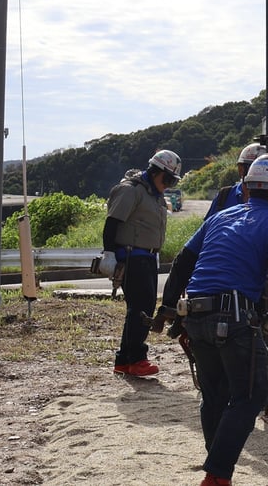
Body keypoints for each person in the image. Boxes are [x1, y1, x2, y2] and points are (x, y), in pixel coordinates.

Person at [160, 154, 268, 486]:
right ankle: (216, 476)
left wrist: (169, 310)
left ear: (248, 187)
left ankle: (215, 465)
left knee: (214, 395)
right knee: (250, 396)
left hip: (194, 312)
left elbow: (182, 261)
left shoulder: (220, 217)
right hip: (233, 315)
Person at [99, 149, 182, 377]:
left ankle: (125, 360)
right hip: (132, 257)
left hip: (147, 257)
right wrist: (109, 254)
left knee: (138, 307)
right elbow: (112, 224)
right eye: (167, 179)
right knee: (141, 307)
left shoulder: (153, 194)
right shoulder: (131, 190)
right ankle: (137, 358)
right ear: (156, 172)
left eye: (172, 180)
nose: (168, 184)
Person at [204, 143, 267, 220]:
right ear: (241, 169)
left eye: (266, 170)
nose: (259, 175)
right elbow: (208, 228)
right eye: (254, 169)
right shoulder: (224, 196)